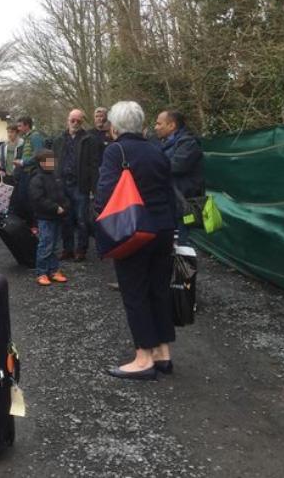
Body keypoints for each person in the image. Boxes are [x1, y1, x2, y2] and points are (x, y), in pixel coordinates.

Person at [95, 101, 177, 380]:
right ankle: (163, 354)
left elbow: (105, 194)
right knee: (159, 290)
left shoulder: (114, 151)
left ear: (114, 127)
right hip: (163, 229)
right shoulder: (158, 151)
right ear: (141, 124)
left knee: (135, 293)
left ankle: (143, 359)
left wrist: (97, 221)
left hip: (134, 231)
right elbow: (170, 192)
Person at [52, 109, 99, 261]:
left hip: (80, 185)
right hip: (62, 184)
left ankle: (81, 250)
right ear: (68, 120)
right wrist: (52, 180)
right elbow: (52, 161)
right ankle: (67, 249)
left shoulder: (89, 139)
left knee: (81, 219)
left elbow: (94, 165)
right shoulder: (59, 139)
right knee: (65, 219)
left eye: (78, 121)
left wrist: (94, 188)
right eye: (73, 120)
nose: (75, 123)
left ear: (82, 122)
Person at [154, 110, 205, 244]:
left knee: (182, 245)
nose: (156, 127)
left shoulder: (188, 143)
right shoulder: (165, 144)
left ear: (172, 125)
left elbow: (176, 166)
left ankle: (186, 264)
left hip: (183, 203)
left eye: (159, 124)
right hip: (171, 203)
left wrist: (153, 164)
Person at [29, 150, 69, 286]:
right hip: (45, 217)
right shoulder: (37, 179)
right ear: (42, 163)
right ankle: (41, 272)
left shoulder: (55, 176)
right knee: (45, 245)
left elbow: (62, 193)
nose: (53, 163)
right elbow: (38, 199)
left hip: (58, 216)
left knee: (55, 246)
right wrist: (55, 207)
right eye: (50, 161)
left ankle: (54, 270)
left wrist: (65, 205)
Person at [10, 116, 46, 224]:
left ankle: (35, 227)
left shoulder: (35, 136)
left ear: (27, 125)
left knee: (30, 201)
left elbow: (38, 155)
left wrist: (22, 162)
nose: (18, 129)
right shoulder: (27, 137)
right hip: (26, 173)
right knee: (23, 200)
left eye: (20, 126)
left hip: (32, 174)